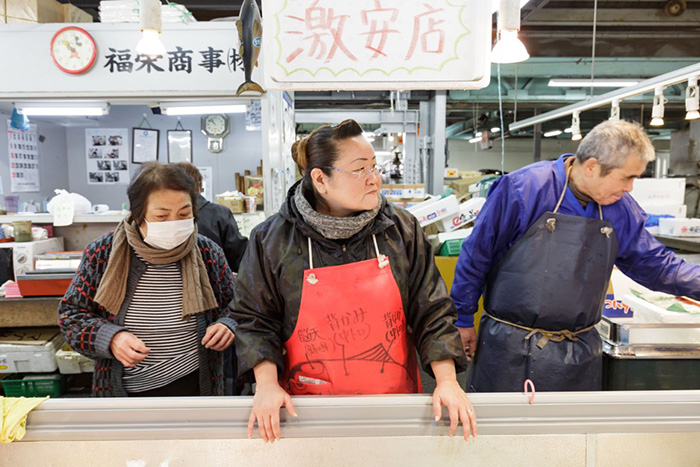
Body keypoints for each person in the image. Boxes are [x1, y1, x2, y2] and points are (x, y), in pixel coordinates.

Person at [232, 119, 477, 443]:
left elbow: (431, 308)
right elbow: (254, 320)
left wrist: (447, 380)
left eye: (375, 167)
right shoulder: (272, 240)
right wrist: (265, 386)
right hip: (303, 410)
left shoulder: (401, 230)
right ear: (320, 179)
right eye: (360, 169)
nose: (374, 179)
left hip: (394, 406)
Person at [451, 120, 700, 393]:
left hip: (579, 354)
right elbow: (476, 257)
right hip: (508, 349)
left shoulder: (619, 208)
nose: (630, 188)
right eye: (627, 177)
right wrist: (463, 319)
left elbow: (658, 266)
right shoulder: (522, 190)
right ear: (592, 167)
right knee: (504, 432)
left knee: (572, 434)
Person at [58, 162, 236, 397]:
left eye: (184, 214)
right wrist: (111, 338)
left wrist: (228, 324)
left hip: (196, 385)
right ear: (139, 215)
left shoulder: (207, 253)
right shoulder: (103, 253)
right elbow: (71, 315)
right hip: (125, 391)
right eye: (162, 216)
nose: (174, 223)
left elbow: (237, 305)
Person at [175, 162, 249, 273]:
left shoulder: (159, 220)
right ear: (199, 186)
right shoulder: (220, 214)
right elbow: (240, 259)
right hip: (216, 282)